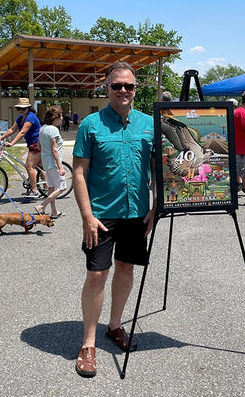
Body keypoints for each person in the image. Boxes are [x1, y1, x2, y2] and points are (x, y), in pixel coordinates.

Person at [73, 62, 156, 378]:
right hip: (102, 214)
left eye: (129, 86)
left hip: (136, 213)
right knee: (96, 275)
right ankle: (88, 343)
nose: (123, 90)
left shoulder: (149, 124)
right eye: (116, 85)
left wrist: (158, 205)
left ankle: (115, 325)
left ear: (136, 90)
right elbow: (79, 172)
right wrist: (87, 216)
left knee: (126, 268)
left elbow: (162, 169)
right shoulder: (91, 125)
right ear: (105, 88)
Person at [0, 98, 42, 197]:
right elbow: (12, 129)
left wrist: (12, 143)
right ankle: (45, 188)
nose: (21, 111)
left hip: (37, 143)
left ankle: (34, 191)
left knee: (29, 166)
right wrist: (0, 138)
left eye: (23, 109)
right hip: (32, 143)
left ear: (28, 108)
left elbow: (22, 132)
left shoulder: (30, 117)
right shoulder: (20, 117)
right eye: (19, 109)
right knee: (39, 167)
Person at [34, 106, 66, 218]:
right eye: (60, 116)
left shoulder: (43, 128)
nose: (62, 118)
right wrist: (60, 167)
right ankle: (42, 206)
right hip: (54, 163)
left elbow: (39, 146)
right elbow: (54, 149)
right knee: (62, 188)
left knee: (51, 187)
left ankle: (54, 211)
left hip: (46, 162)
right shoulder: (54, 130)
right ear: (55, 117)